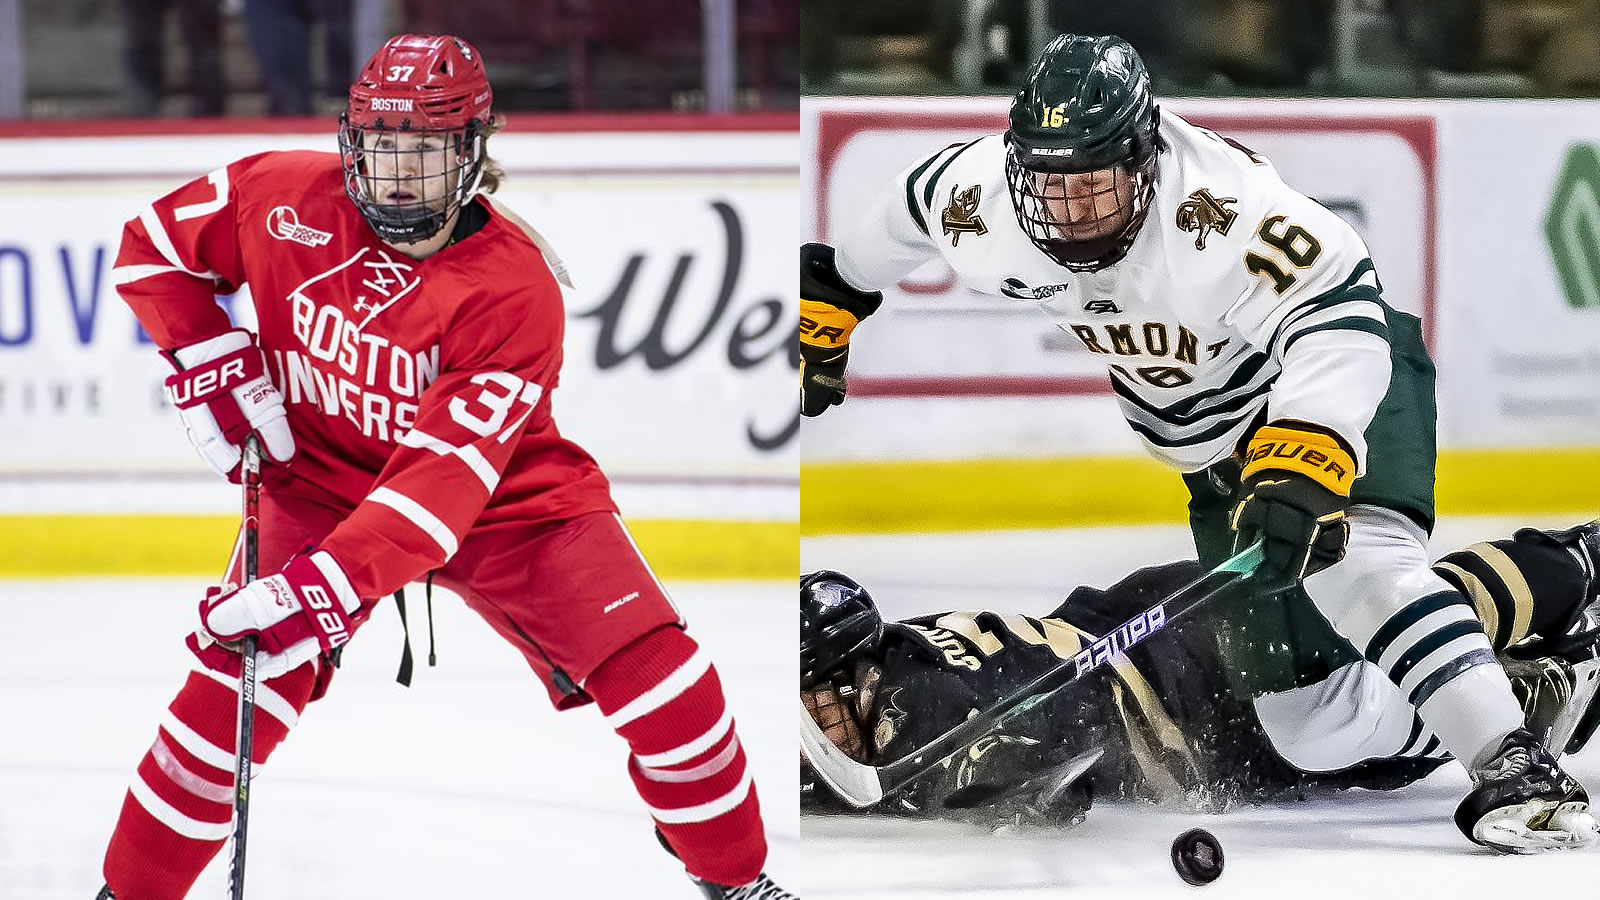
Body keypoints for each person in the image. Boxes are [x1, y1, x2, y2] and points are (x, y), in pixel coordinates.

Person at [799, 32, 1595, 851]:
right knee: (1312, 726)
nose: (1068, 210)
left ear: (1144, 160)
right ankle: (1545, 672)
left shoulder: (1222, 212)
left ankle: (1516, 763)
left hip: (1335, 383)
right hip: (1215, 457)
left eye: (1092, 185)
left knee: (1363, 568)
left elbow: (1340, 319)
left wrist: (1307, 452)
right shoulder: (982, 201)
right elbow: (904, 208)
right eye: (1049, 182)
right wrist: (834, 291)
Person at [97, 33, 792, 900]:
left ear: (472, 152)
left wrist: (312, 594)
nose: (396, 172)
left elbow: (440, 489)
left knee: (671, 690)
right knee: (223, 700)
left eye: (423, 150)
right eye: (381, 145)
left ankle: (735, 881)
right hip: (320, 485)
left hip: (511, 504)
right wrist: (207, 354)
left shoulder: (512, 289)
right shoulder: (278, 194)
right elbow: (148, 247)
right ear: (351, 141)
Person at [800, 521, 1600, 831]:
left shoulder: (919, 705)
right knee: (1387, 620)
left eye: (811, 698)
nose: (807, 727)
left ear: (853, 676)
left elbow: (1063, 772)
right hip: (1159, 622)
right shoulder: (905, 656)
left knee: (1351, 709)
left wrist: (1008, 780)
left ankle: (1552, 645)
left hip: (1204, 699)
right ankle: (1562, 592)